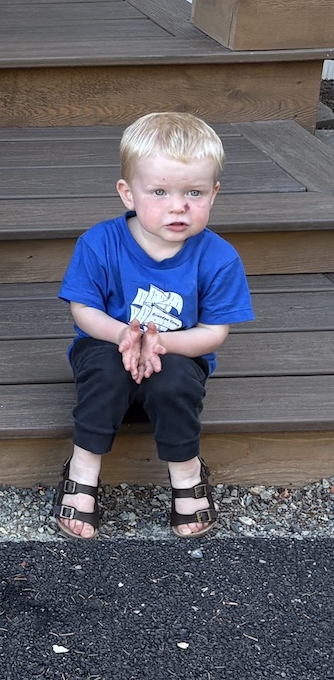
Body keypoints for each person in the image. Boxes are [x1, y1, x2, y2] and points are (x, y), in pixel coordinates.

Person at [53, 112, 254, 540]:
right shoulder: (99, 242)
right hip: (108, 345)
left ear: (214, 194)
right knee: (105, 370)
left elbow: (214, 332)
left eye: (194, 192)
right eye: (159, 191)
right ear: (128, 193)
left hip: (177, 354)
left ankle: (186, 473)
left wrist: (161, 345)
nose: (178, 205)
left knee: (175, 380)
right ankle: (83, 468)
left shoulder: (219, 257)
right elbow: (83, 310)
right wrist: (122, 335)